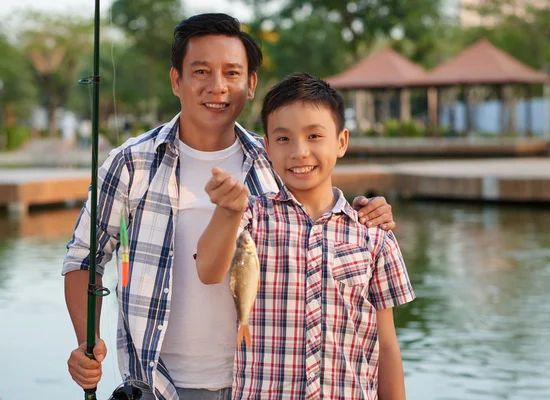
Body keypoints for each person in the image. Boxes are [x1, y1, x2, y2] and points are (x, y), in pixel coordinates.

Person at [63, 13, 396, 400]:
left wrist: (369, 213)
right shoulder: (130, 164)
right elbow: (84, 259)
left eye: (232, 73)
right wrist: (87, 341)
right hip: (158, 383)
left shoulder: (275, 157)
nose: (217, 87)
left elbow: (319, 221)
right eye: (201, 71)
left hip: (262, 383)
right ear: (177, 80)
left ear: (251, 83)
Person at [196, 72, 415, 399]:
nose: (299, 151)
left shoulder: (374, 236)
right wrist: (227, 210)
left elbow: (386, 344)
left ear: (341, 142)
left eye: (314, 136)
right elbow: (208, 271)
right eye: (283, 139)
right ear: (267, 147)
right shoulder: (251, 217)